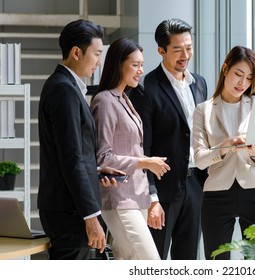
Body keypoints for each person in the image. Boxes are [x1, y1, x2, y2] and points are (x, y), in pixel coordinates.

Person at [37, 19, 126, 260]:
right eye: (97, 53)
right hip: (71, 213)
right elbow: (71, 158)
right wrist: (91, 216)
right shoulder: (63, 89)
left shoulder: (65, 86)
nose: (99, 61)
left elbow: (72, 154)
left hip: (68, 208)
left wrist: (96, 169)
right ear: (76, 52)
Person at [129, 18, 208, 260]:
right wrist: (152, 198)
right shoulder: (145, 87)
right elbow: (143, 147)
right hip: (163, 190)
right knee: (156, 259)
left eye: (189, 47)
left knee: (188, 259)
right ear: (161, 50)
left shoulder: (200, 83)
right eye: (177, 49)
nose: (185, 55)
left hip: (196, 185)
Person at [90, 38, 171, 260]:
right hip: (119, 198)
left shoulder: (125, 99)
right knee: (150, 262)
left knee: (127, 261)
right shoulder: (105, 101)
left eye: (141, 64)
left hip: (136, 197)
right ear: (118, 64)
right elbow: (103, 157)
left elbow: (129, 148)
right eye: (135, 64)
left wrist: (148, 162)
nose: (140, 70)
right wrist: (145, 162)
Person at [192, 46, 255, 260]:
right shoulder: (203, 109)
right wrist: (226, 146)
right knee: (216, 261)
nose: (242, 83)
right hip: (217, 194)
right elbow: (200, 160)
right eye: (238, 74)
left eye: (249, 78)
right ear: (225, 68)